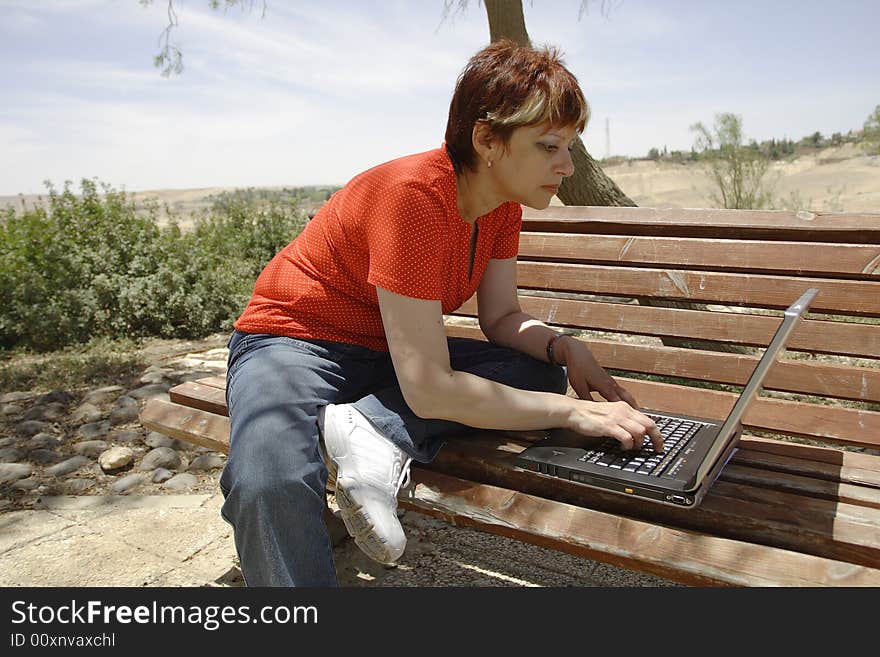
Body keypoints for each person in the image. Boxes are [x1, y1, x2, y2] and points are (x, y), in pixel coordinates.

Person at [219, 39, 663, 587]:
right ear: (486, 140)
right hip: (295, 342)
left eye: (569, 146)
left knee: (535, 370)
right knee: (270, 478)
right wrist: (569, 413)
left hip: (387, 351)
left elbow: (501, 319)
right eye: (549, 145)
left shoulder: (500, 207)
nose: (566, 166)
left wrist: (563, 347)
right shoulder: (414, 196)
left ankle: (370, 427)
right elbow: (429, 388)